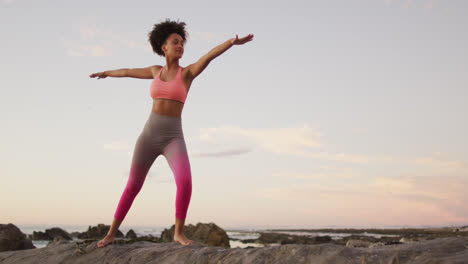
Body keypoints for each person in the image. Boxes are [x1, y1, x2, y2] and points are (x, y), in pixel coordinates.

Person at [89, 19, 254, 247]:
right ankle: (110, 234)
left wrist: (231, 43)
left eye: (181, 43)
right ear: (163, 47)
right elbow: (127, 71)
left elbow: (209, 56)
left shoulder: (187, 74)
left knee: (185, 181)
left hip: (173, 138)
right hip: (148, 136)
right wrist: (106, 73)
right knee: (133, 186)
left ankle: (178, 232)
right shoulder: (154, 71)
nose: (180, 46)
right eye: (175, 42)